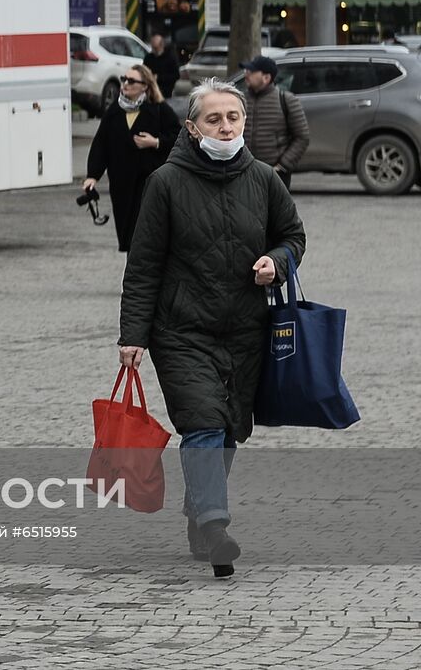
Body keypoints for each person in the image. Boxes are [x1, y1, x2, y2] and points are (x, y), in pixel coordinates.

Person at [118, 79, 306, 578]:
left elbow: (292, 236)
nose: (225, 127)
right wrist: (133, 335)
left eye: (233, 118)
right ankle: (216, 527)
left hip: (246, 329)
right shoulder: (165, 183)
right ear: (192, 127)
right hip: (181, 331)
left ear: (244, 122)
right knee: (202, 421)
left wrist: (276, 262)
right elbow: (143, 265)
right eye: (214, 119)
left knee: (227, 429)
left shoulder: (264, 178)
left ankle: (199, 516)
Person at [82, 64, 178, 253]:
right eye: (124, 79)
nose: (125, 84)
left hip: (149, 183)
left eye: (131, 81)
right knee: (128, 236)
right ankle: (134, 268)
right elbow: (101, 144)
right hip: (121, 185)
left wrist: (155, 142)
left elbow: (178, 136)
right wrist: (92, 175)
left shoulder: (159, 109)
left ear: (145, 86)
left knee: (145, 236)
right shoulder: (114, 111)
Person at [240, 56, 309, 190]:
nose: (246, 74)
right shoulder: (240, 100)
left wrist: (282, 166)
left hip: (276, 174)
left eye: (252, 71)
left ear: (266, 78)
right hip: (244, 172)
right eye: (246, 70)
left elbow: (302, 137)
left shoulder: (286, 100)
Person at [143, 32, 180, 99]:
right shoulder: (148, 58)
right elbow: (143, 71)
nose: (154, 50)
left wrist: (159, 77)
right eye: (153, 48)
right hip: (151, 90)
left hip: (165, 90)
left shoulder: (170, 58)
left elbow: (176, 75)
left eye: (156, 48)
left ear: (162, 45)